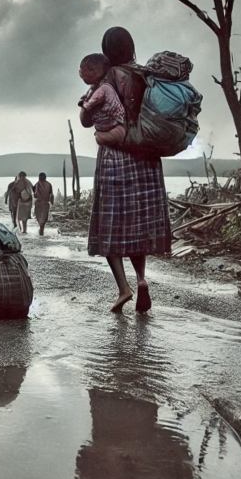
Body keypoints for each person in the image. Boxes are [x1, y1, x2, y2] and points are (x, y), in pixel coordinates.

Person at [82, 26, 172, 313]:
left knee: (110, 227)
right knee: (137, 227)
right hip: (145, 158)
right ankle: (142, 279)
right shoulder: (145, 76)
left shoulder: (105, 78)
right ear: (131, 46)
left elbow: (86, 120)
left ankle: (124, 288)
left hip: (115, 156)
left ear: (106, 50)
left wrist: (87, 108)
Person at [77, 53, 126, 148]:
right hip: (139, 150)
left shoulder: (99, 89)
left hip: (112, 150)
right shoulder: (136, 77)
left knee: (99, 137)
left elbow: (85, 122)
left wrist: (85, 105)